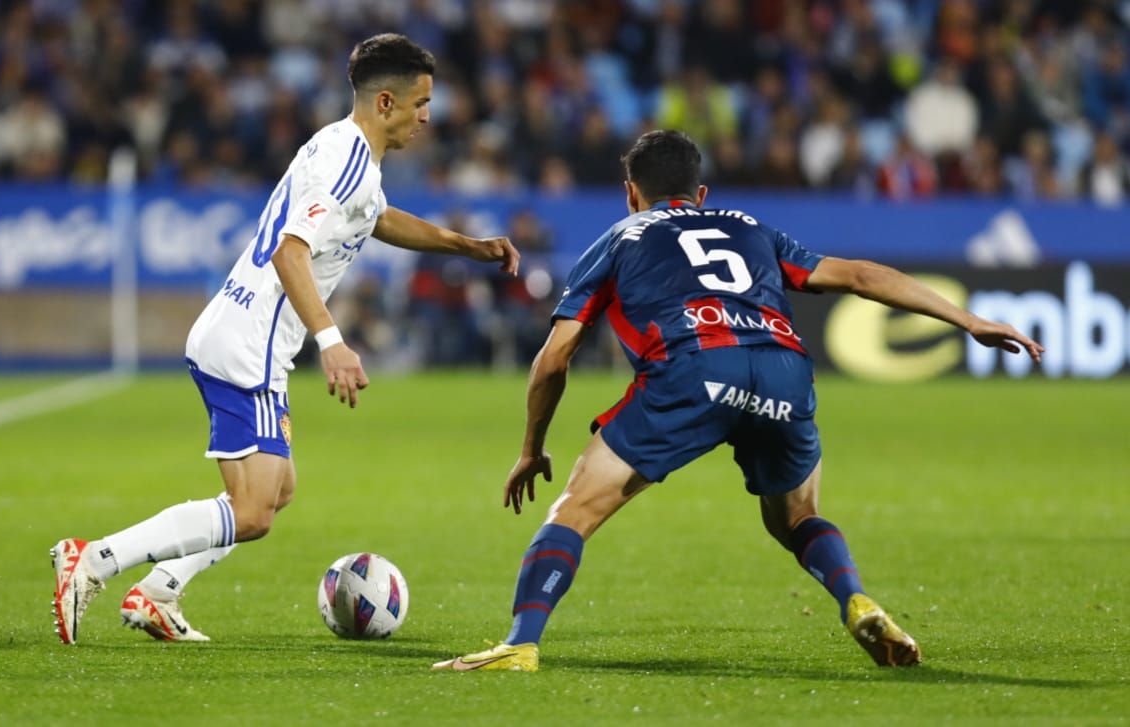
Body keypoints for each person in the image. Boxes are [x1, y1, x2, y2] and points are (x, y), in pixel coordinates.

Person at [433, 130, 1042, 672]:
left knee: (573, 512)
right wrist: (968, 320)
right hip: (783, 370)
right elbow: (858, 275)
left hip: (692, 369)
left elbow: (554, 356)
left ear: (630, 193)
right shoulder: (749, 227)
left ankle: (520, 644)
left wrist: (531, 447)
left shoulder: (620, 236)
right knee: (798, 519)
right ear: (701, 193)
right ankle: (854, 597)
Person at [50, 34, 520, 645]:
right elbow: (289, 252)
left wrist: (467, 245)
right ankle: (92, 560)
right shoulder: (346, 162)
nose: (428, 115)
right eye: (421, 102)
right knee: (252, 513)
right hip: (251, 347)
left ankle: (159, 591)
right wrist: (333, 341)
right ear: (385, 102)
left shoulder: (346, 150)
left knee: (279, 491)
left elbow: (376, 217)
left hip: (237, 333)